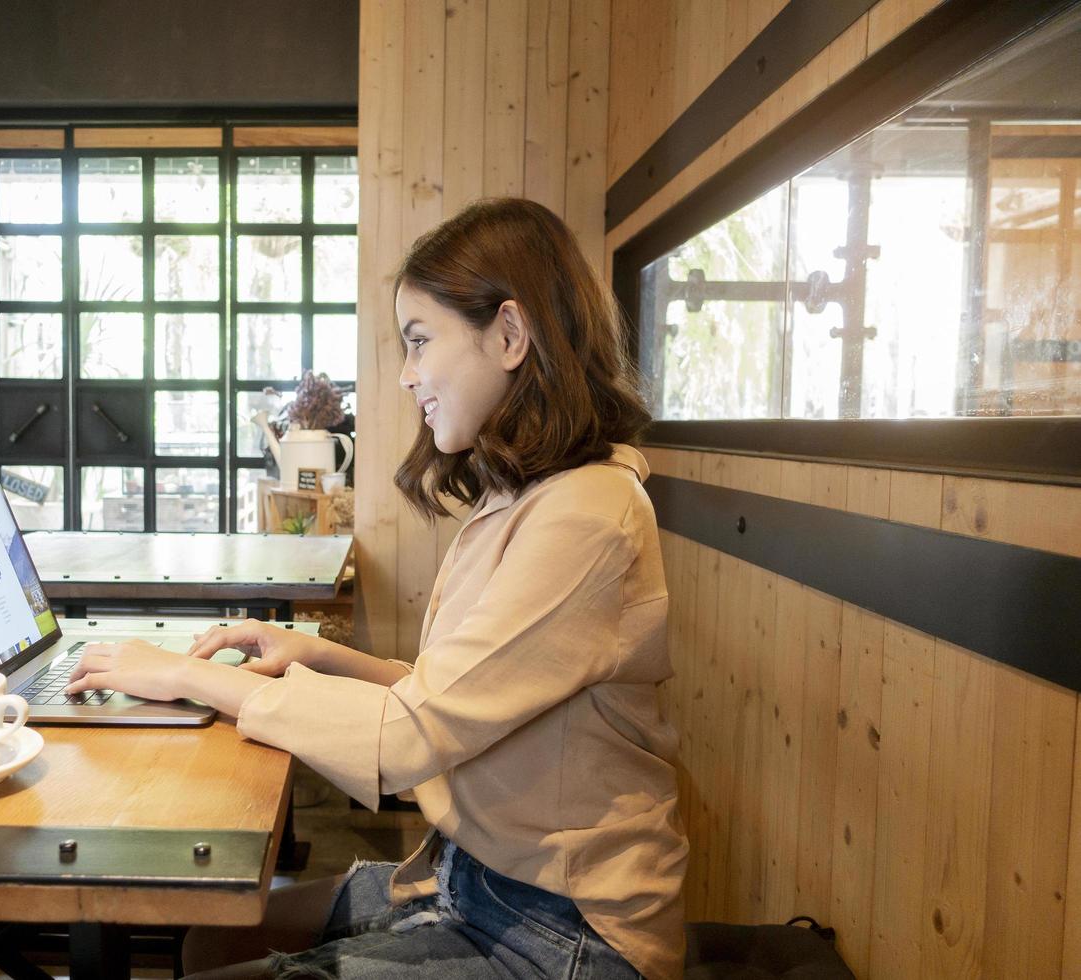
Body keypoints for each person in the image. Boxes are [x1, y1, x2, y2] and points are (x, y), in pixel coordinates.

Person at [66, 198, 688, 980]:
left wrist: (190, 677)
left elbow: (411, 736)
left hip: (564, 931)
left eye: (420, 342)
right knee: (214, 937)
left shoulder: (588, 515)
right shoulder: (528, 494)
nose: (405, 375)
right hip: (473, 878)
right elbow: (456, 698)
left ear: (508, 334)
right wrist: (312, 655)